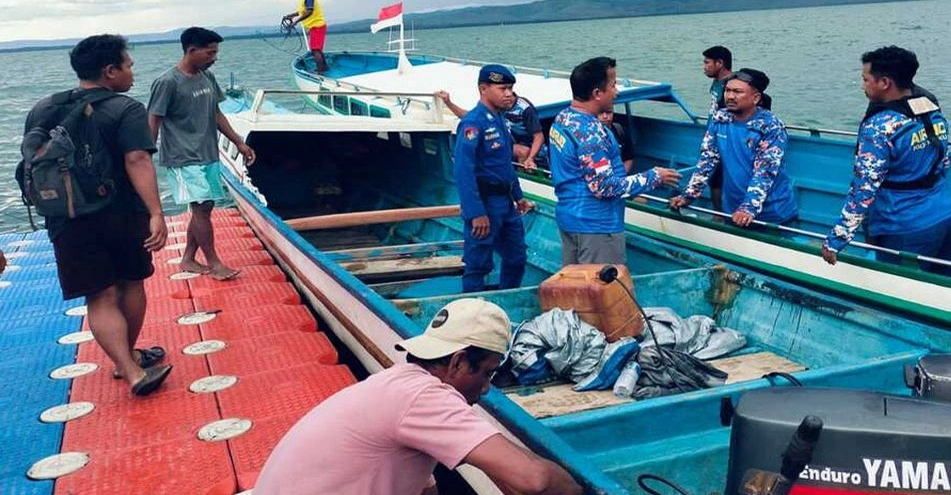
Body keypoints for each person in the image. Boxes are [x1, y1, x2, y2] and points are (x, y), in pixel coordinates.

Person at [253, 297, 583, 495]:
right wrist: (580, 489)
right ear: (457, 361)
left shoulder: (395, 385)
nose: (485, 389)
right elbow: (535, 480)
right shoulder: (425, 398)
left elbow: (426, 488)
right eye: (486, 373)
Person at [22, 34, 172, 396]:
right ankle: (131, 370)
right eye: (128, 64)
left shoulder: (43, 108)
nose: (132, 72)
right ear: (109, 71)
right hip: (119, 214)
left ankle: (128, 364)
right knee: (131, 283)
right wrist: (156, 212)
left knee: (99, 297)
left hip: (66, 219)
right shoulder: (126, 109)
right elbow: (137, 159)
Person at [820, 46, 951, 276]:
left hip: (906, 228)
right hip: (949, 218)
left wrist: (837, 238)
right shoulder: (932, 112)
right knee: (948, 289)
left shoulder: (879, 127)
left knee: (902, 292)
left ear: (884, 82)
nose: (862, 86)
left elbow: (864, 189)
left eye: (866, 79)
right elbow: (943, 162)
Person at [148, 27, 256, 281]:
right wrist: (145, 158)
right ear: (191, 50)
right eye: (210, 52)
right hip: (182, 156)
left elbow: (216, 113)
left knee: (203, 208)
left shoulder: (208, 78)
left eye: (216, 52)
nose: (214, 57)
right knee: (202, 206)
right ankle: (214, 263)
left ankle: (188, 258)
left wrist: (239, 142)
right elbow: (153, 120)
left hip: (207, 152)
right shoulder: (167, 82)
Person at [548, 57, 680, 264]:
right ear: (597, 94)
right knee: (600, 291)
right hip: (596, 227)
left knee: (576, 287)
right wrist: (654, 176)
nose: (616, 91)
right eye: (612, 85)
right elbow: (605, 187)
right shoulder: (590, 133)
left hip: (569, 219)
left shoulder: (562, 119)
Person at [670, 69, 798, 228]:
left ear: (756, 98)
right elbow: (707, 161)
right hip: (732, 209)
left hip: (772, 214)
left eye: (737, 92)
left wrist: (748, 208)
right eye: (728, 91)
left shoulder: (770, 127)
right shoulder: (720, 119)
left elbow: (764, 172)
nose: (730, 96)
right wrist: (688, 195)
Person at [452, 65, 534, 292]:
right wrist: (475, 213)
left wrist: (519, 197)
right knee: (478, 265)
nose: (509, 94)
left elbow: (505, 164)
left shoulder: (499, 119)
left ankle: (506, 301)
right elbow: (463, 171)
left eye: (510, 88)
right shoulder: (473, 123)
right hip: (484, 203)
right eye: (503, 88)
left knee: (517, 258)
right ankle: (473, 309)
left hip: (506, 203)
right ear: (484, 89)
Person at [437, 88, 545, 171]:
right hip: (505, 141)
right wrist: (448, 102)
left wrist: (530, 158)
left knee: (523, 152)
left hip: (527, 144)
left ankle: (521, 178)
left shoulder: (525, 109)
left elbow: (539, 137)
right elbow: (468, 116)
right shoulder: (495, 105)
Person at [702, 46, 734, 210]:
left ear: (719, 63)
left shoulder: (731, 86)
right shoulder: (717, 83)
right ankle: (718, 213)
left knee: (720, 178)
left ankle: (721, 215)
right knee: (714, 178)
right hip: (713, 138)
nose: (704, 67)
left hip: (725, 140)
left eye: (707, 63)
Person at [283, 0, 330, 73]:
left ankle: (321, 72)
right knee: (317, 49)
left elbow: (309, 11)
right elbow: (302, 11)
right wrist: (291, 16)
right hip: (313, 27)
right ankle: (324, 68)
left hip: (318, 26)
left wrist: (296, 21)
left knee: (315, 50)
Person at [598, 106, 635, 172]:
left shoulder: (620, 130)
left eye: (609, 112)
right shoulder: (589, 135)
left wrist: (621, 176)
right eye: (600, 113)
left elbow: (629, 158)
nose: (605, 116)